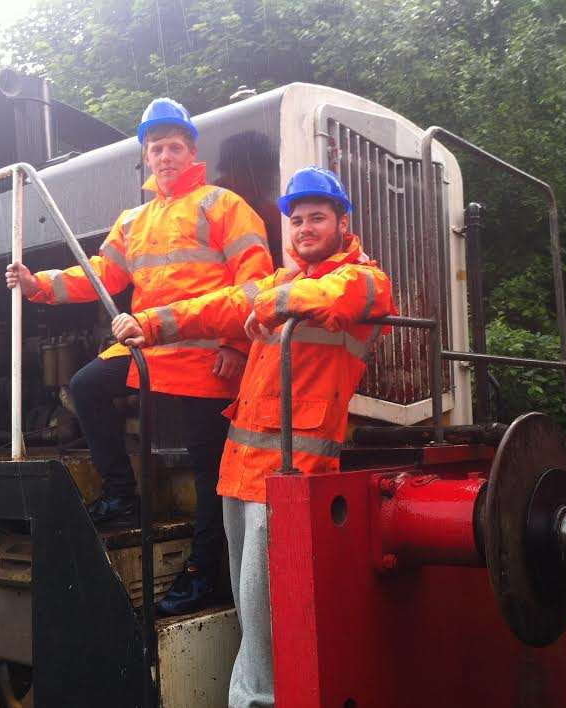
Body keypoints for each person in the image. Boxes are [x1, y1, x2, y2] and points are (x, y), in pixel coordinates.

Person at [112, 166, 396, 708]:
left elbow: (335, 298)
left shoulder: (364, 277)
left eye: (318, 217)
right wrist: (148, 323)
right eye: (297, 220)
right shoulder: (283, 281)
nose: (306, 227)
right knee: (252, 609)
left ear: (342, 223)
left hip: (291, 478)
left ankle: (258, 702)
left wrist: (264, 308)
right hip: (241, 472)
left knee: (269, 613)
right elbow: (217, 306)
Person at [6, 97, 273, 615]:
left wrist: (237, 347)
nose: (166, 156)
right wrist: (39, 284)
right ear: (146, 158)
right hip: (148, 348)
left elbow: (255, 284)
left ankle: (203, 573)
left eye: (174, 146)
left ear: (191, 151)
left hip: (206, 359)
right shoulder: (133, 220)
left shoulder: (224, 205)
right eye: (157, 148)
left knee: (208, 471)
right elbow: (104, 276)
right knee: (85, 385)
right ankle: (120, 493)